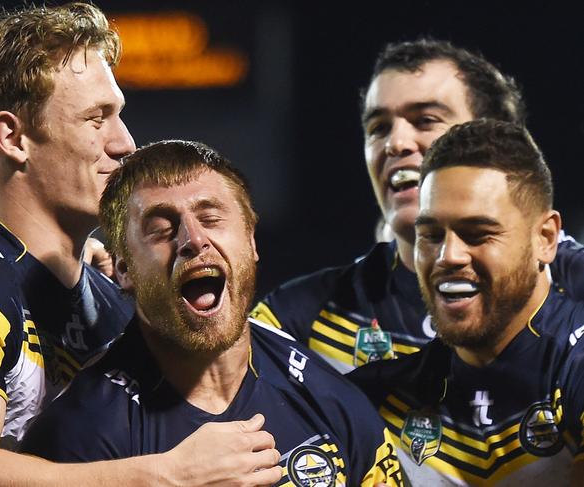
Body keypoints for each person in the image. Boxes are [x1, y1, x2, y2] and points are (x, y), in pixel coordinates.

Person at [0, 3, 281, 485]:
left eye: (119, 116)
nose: (126, 144)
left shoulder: (106, 294)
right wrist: (164, 476)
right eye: (97, 119)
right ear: (13, 137)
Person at [20, 140, 404, 487]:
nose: (193, 239)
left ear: (251, 241)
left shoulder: (332, 401)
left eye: (210, 217)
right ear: (124, 270)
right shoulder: (81, 436)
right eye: (160, 228)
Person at [250, 38, 584, 373]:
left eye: (425, 120)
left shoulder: (572, 293)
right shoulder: (305, 315)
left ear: (494, 140)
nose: (395, 143)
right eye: (378, 128)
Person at [349, 119, 584, 485]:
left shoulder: (575, 364)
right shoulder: (372, 398)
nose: (448, 255)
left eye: (477, 234)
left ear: (545, 238)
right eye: (431, 234)